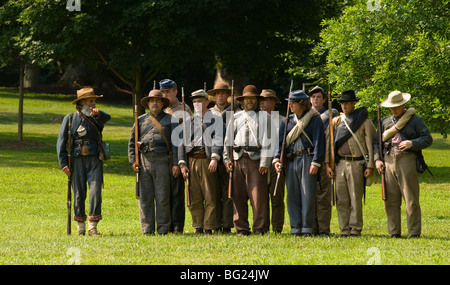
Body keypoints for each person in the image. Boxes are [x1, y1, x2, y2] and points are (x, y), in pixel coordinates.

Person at [373, 91, 432, 238]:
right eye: (391, 107)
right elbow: (376, 143)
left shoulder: (416, 120)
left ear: (403, 104)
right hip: (388, 160)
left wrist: (412, 143)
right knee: (390, 200)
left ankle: (414, 232)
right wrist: (377, 159)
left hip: (407, 159)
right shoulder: (384, 121)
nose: (394, 110)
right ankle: (394, 232)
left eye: (397, 107)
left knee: (411, 199)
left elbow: (427, 139)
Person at [57, 87, 111, 236]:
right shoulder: (69, 119)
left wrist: (99, 113)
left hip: (95, 159)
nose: (93, 103)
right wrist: (63, 163)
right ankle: (80, 226)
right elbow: (61, 142)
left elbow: (108, 117)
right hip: (77, 160)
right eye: (90, 101)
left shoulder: (97, 117)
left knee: (95, 192)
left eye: (94, 100)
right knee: (79, 193)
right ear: (81, 103)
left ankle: (92, 226)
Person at [273, 90, 325, 236]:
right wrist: (277, 159)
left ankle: (307, 228)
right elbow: (281, 144)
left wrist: (316, 161)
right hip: (291, 160)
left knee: (307, 195)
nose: (290, 105)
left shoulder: (314, 119)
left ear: (301, 104)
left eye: (293, 103)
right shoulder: (287, 121)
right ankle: (295, 228)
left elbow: (319, 142)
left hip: (308, 159)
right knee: (292, 196)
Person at [325, 90, 376, 237]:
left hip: (356, 164)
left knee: (355, 198)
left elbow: (371, 144)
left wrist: (370, 165)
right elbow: (329, 143)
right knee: (341, 198)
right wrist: (328, 164)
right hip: (339, 164)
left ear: (354, 103)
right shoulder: (335, 122)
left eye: (347, 103)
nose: (344, 106)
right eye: (342, 103)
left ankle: (355, 228)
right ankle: (344, 228)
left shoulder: (364, 121)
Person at [223, 85, 272, 236]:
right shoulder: (236, 117)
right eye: (246, 99)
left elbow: (269, 141)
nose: (249, 101)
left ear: (256, 100)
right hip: (238, 159)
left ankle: (259, 228)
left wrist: (265, 162)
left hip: (256, 161)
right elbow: (228, 140)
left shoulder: (265, 117)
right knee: (238, 196)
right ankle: (242, 228)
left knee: (258, 198)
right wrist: (226, 159)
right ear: (242, 101)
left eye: (252, 98)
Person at [128, 89, 178, 235]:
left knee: (163, 197)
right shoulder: (140, 120)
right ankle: (147, 229)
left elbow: (175, 144)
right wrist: (133, 161)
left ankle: (163, 229)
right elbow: (132, 142)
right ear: (148, 103)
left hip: (162, 161)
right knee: (145, 197)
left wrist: (175, 163)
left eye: (158, 100)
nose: (155, 103)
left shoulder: (170, 120)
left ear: (162, 103)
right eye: (152, 101)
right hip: (144, 161)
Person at [179, 89, 223, 234]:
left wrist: (215, 158)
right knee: (194, 195)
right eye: (194, 101)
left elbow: (218, 140)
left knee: (210, 195)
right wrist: (182, 164)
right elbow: (180, 143)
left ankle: (209, 226)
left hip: (206, 160)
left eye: (200, 101)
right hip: (191, 161)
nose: (197, 104)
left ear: (207, 102)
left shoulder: (215, 120)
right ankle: (198, 225)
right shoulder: (188, 121)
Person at [160, 79, 192, 234]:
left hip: (178, 154)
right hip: (161, 156)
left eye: (168, 92)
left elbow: (189, 134)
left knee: (177, 192)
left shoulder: (184, 109)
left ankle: (178, 225)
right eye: (163, 92)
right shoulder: (160, 108)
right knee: (163, 193)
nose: (165, 95)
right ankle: (166, 225)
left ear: (175, 92)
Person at [308, 86, 338, 235]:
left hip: (326, 159)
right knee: (310, 195)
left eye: (318, 97)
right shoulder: (306, 117)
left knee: (324, 196)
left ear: (324, 99)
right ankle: (313, 228)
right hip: (310, 159)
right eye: (313, 97)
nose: (315, 99)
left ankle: (324, 229)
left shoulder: (331, 117)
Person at [207, 81, 234, 233]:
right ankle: (216, 223)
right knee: (214, 192)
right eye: (218, 93)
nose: (221, 96)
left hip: (229, 156)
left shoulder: (234, 112)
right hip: (213, 157)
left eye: (223, 93)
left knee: (228, 192)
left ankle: (227, 224)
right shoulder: (209, 113)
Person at [259, 89, 285, 234]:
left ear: (273, 102)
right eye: (261, 99)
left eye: (266, 99)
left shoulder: (282, 120)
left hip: (277, 165)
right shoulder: (256, 119)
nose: (262, 102)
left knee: (277, 198)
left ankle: (277, 228)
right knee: (260, 200)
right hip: (258, 165)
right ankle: (262, 227)